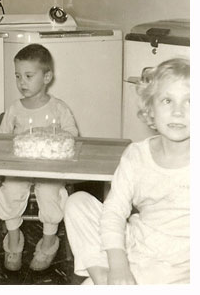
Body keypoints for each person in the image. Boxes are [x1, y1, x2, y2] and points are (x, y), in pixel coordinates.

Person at [64, 58, 190, 284]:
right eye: (167, 100)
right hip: (137, 242)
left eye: (190, 101)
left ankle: (106, 281)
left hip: (177, 264)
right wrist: (119, 263)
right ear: (150, 110)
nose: (178, 112)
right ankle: (107, 277)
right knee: (77, 202)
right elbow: (114, 212)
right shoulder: (136, 155)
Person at [0, 43, 79, 272]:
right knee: (10, 190)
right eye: (17, 76)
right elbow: (2, 139)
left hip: (49, 169)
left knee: (49, 192)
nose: (22, 82)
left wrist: (53, 138)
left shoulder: (59, 108)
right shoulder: (14, 109)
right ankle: (13, 239)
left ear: (47, 76)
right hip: (21, 167)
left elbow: (72, 135)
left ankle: (49, 240)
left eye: (29, 75)